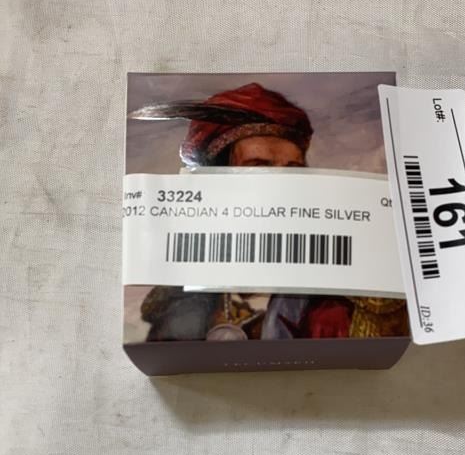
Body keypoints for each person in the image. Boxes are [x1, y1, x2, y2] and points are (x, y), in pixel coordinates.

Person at [129, 82, 408, 341]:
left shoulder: (339, 309)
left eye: (293, 170)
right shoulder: (180, 304)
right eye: (258, 168)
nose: (283, 186)